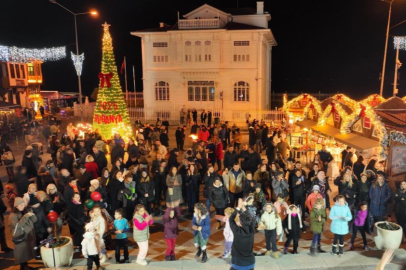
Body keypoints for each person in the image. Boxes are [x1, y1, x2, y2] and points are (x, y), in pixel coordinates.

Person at [9, 197, 37, 270]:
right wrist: (26, 216)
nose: (23, 206)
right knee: (22, 254)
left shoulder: (24, 211)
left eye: (23, 204)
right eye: (21, 205)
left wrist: (32, 214)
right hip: (20, 237)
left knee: (26, 252)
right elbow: (17, 226)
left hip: (27, 236)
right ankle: (23, 267)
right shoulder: (12, 215)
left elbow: (34, 220)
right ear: (16, 206)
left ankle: (25, 266)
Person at [229, 198, 256, 270]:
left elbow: (231, 219)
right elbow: (252, 218)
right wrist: (242, 207)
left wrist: (238, 206)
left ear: (240, 222)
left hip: (238, 264)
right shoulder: (251, 230)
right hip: (250, 263)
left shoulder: (237, 231)